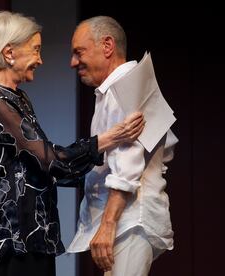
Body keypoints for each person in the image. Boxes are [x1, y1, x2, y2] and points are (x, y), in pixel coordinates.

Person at [0, 11, 145, 276]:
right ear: (8, 53)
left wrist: (107, 173)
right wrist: (111, 138)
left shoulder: (17, 98)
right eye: (36, 50)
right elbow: (50, 161)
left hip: (35, 235)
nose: (40, 59)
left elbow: (43, 169)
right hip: (16, 236)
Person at [67, 16, 178, 276]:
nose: (73, 62)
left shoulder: (123, 87)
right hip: (127, 220)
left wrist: (108, 224)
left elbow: (127, 167)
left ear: (107, 46)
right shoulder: (118, 89)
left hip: (129, 221)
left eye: (78, 52)